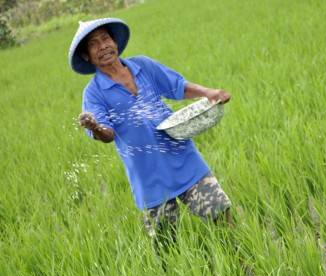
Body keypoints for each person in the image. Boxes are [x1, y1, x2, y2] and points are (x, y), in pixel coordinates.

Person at [68, 18, 233, 242]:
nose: (103, 46)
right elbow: (107, 134)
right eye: (94, 44)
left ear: (114, 41)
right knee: (167, 247)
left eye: (105, 38)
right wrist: (95, 126)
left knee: (223, 219)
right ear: (87, 56)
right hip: (149, 178)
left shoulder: (142, 66)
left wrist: (209, 92)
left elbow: (177, 86)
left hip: (184, 159)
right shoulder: (94, 93)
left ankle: (246, 269)